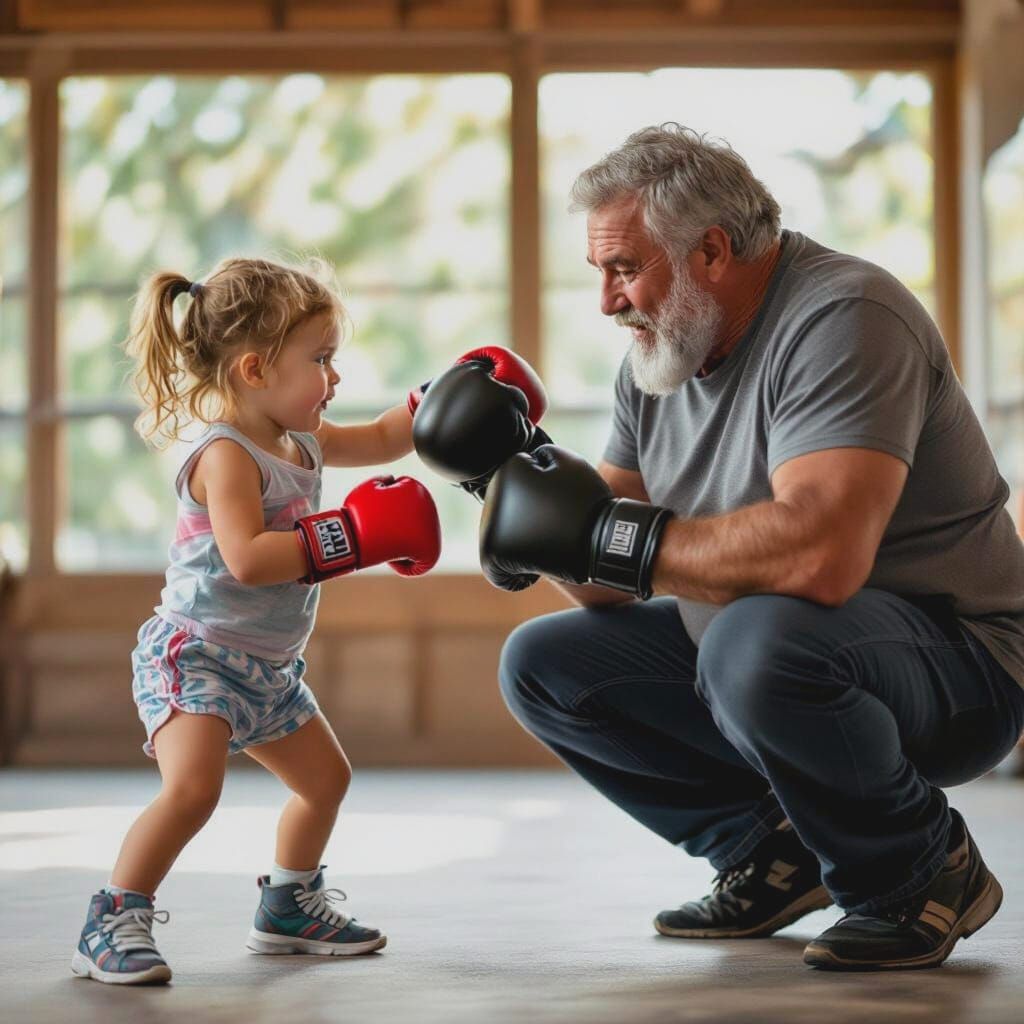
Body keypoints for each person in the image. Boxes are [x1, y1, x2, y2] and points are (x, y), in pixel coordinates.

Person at [477, 124, 1024, 971]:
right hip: (782, 643)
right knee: (546, 662)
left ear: (712, 253)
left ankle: (920, 872)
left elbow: (821, 556)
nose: (608, 302)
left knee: (754, 642)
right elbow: (613, 582)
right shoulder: (655, 364)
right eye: (600, 274)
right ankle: (775, 851)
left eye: (625, 269)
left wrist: (596, 531)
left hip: (961, 662)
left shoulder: (844, 316)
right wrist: (510, 491)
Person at [71, 256, 445, 985]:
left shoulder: (302, 437)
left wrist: (444, 399)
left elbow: (382, 437)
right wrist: (354, 538)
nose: (333, 379)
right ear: (253, 370)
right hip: (196, 655)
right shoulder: (224, 454)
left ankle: (287, 907)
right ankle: (111, 919)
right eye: (321, 359)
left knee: (324, 782)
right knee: (192, 791)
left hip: (268, 669)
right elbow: (246, 558)